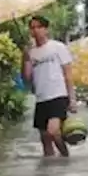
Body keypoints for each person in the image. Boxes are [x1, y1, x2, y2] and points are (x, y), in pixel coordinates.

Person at [23, 15, 76, 157]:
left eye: (39, 27)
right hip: (41, 98)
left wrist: (72, 99)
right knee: (45, 139)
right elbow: (27, 78)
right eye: (32, 28)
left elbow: (68, 74)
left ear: (46, 29)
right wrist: (25, 58)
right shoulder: (31, 52)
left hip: (58, 95)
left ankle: (65, 157)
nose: (35, 30)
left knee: (53, 132)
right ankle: (48, 173)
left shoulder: (58, 47)